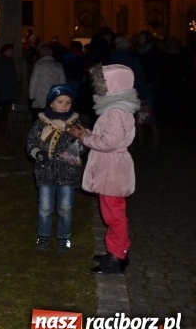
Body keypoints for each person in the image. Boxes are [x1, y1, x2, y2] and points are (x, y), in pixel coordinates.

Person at [69, 64, 139, 274]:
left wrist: (84, 137)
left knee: (113, 216)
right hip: (111, 166)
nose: (99, 88)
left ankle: (116, 257)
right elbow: (109, 137)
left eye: (103, 84)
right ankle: (119, 252)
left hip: (112, 168)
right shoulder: (117, 108)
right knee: (115, 213)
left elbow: (108, 142)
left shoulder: (117, 111)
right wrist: (88, 133)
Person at [25, 85, 84, 253]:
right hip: (46, 172)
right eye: (60, 101)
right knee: (45, 206)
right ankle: (43, 236)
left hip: (68, 172)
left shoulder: (75, 124)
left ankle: (63, 237)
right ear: (51, 103)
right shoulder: (41, 123)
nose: (64, 105)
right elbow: (31, 142)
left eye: (68, 102)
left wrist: (79, 144)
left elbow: (84, 143)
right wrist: (38, 153)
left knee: (65, 207)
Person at [28, 45, 66, 119]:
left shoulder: (39, 64)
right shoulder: (58, 65)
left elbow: (33, 82)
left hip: (39, 98)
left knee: (38, 120)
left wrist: (31, 97)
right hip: (54, 97)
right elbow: (63, 82)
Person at [0, 43, 19, 119]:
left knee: (4, 114)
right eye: (10, 51)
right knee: (2, 114)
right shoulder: (2, 62)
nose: (12, 53)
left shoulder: (8, 61)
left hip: (6, 92)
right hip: (3, 92)